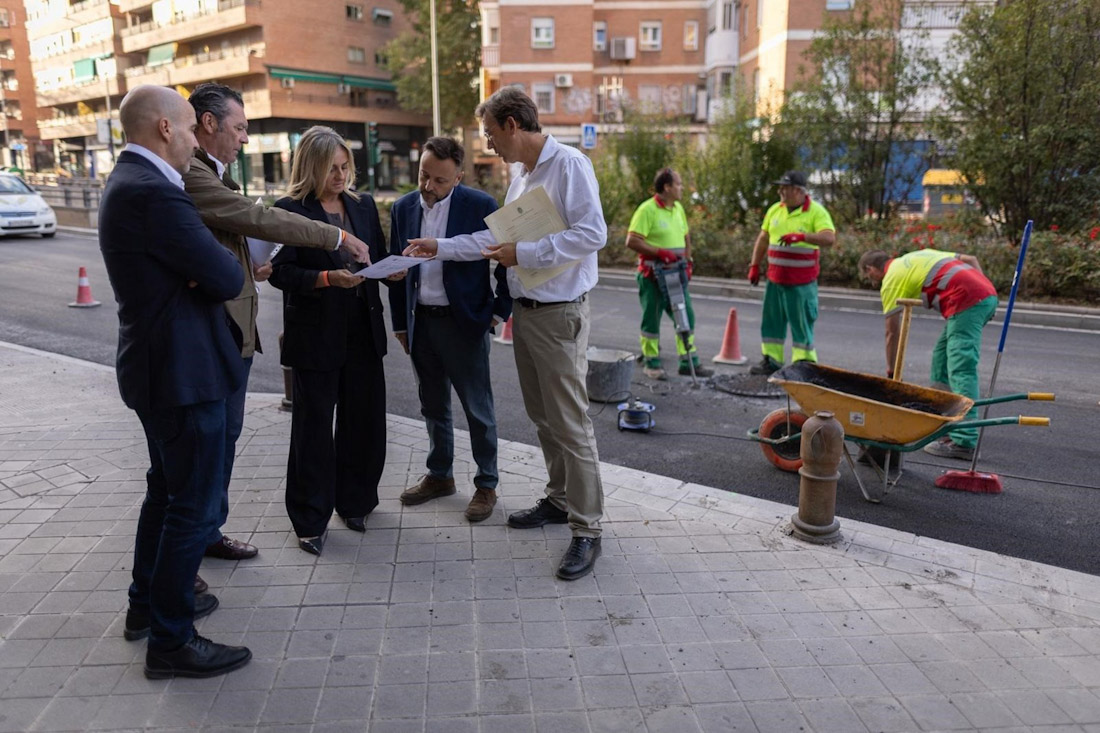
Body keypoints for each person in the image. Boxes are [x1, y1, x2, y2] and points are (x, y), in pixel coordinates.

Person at [405, 88, 607, 580]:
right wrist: (440, 246)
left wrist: (527, 254)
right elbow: (495, 241)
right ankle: (559, 500)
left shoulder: (569, 166)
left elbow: (593, 234)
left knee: (570, 423)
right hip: (528, 312)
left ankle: (587, 529)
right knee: (544, 418)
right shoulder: (522, 178)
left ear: (513, 124)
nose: (489, 144)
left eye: (491, 133)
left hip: (559, 314)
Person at [182, 83, 372, 574]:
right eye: (241, 128)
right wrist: (333, 250)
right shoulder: (196, 175)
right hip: (283, 334)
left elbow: (242, 245)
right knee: (222, 443)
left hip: (337, 333)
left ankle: (208, 533)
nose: (245, 138)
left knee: (225, 437)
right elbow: (262, 237)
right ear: (209, 123)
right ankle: (295, 522)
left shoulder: (217, 175)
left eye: (345, 166)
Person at [98, 84, 251, 679]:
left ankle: (147, 607)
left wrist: (200, 272)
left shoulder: (130, 182)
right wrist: (206, 270)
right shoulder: (156, 192)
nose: (195, 138)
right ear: (165, 128)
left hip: (160, 369)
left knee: (165, 493)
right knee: (191, 506)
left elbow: (206, 272)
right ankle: (172, 639)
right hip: (184, 375)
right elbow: (225, 275)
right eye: (189, 128)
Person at [268, 126, 390, 556]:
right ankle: (309, 519)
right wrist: (325, 278)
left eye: (344, 167)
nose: (340, 177)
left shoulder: (363, 205)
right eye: (331, 169)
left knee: (364, 421)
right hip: (315, 334)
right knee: (313, 429)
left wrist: (392, 271)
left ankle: (355, 502)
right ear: (310, 168)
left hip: (363, 329)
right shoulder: (288, 210)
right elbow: (280, 273)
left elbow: (375, 256)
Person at [389, 137, 511, 521]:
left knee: (477, 408)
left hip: (465, 323)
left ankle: (486, 484)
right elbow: (395, 269)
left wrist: (499, 311)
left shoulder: (481, 206)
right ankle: (440, 475)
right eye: (423, 175)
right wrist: (400, 324)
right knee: (432, 405)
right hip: (421, 322)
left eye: (439, 180)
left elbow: (506, 257)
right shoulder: (402, 207)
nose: (428, 186)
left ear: (458, 178)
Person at [859, 248, 998, 460]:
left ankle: (964, 440)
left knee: (961, 368)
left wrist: (891, 372)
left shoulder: (892, 279)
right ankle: (944, 420)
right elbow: (971, 258)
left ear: (871, 269)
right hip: (983, 293)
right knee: (941, 360)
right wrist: (984, 294)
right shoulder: (916, 256)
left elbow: (891, 332)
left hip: (967, 300)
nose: (871, 280)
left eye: (868, 275)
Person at [626, 167, 713, 380]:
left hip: (675, 273)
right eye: (679, 184)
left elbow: (686, 237)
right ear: (667, 187)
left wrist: (688, 261)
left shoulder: (678, 209)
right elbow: (632, 241)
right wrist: (659, 252)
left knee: (685, 316)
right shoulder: (647, 210)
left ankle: (688, 361)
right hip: (653, 275)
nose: (682, 188)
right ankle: (651, 362)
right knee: (652, 319)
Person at [746, 170, 836, 374]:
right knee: (772, 322)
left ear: (797, 191)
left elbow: (829, 238)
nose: (780, 191)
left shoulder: (816, 212)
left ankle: (803, 365)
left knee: (801, 324)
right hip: (775, 280)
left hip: (801, 283)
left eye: (784, 188)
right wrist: (754, 265)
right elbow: (763, 238)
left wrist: (803, 237)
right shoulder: (775, 210)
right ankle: (772, 360)